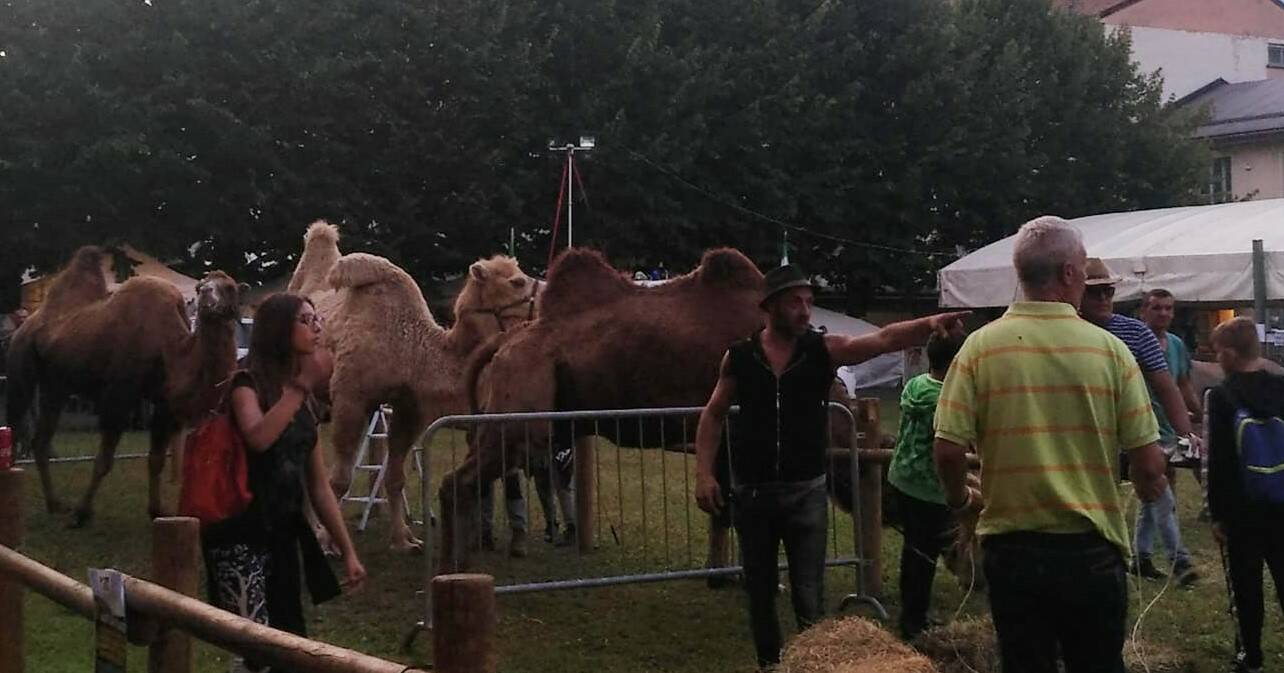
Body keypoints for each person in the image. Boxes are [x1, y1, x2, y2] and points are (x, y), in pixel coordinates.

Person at [693, 263, 967, 670]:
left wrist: (929, 322)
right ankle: (769, 664)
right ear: (769, 307)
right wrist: (703, 473)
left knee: (809, 592)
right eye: (794, 303)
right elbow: (713, 415)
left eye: (808, 302)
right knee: (761, 592)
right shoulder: (740, 357)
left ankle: (809, 665)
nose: (805, 311)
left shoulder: (822, 350)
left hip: (806, 492)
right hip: (753, 493)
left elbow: (882, 340)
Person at [934, 216, 1168, 673]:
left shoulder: (978, 349)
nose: (1086, 280)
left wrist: (961, 498)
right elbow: (1148, 458)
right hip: (1091, 549)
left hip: (1012, 551)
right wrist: (1148, 485)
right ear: (1066, 274)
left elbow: (946, 449)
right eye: (1084, 270)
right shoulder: (1110, 351)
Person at [202, 293, 366, 673]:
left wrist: (348, 549)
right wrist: (300, 387)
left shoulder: (303, 400)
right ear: (279, 330)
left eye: (316, 318)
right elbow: (258, 436)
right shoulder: (246, 383)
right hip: (238, 533)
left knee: (290, 643)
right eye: (305, 320)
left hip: (282, 532)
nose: (317, 327)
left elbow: (319, 485)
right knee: (254, 648)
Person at [1079, 261, 1199, 586]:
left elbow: (1170, 384)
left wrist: (1186, 430)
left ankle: (1176, 561)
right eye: (1095, 292)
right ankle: (1136, 557)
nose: (1104, 297)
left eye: (1109, 290)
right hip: (1083, 438)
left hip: (1140, 432)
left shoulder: (1135, 333)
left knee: (1157, 488)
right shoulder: (1065, 332)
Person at [1205, 317, 1284, 673]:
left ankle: (1249, 655)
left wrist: (1217, 514)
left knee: (1245, 584)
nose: (1216, 358)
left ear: (1231, 354)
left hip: (1242, 508)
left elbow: (1218, 458)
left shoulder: (1221, 396)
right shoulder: (1281, 387)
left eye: (1218, 352)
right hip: (1281, 501)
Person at [888, 330, 966, 640]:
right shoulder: (945, 399)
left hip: (902, 479)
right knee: (923, 556)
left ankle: (913, 612)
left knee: (914, 551)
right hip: (927, 488)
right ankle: (913, 622)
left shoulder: (916, 385)